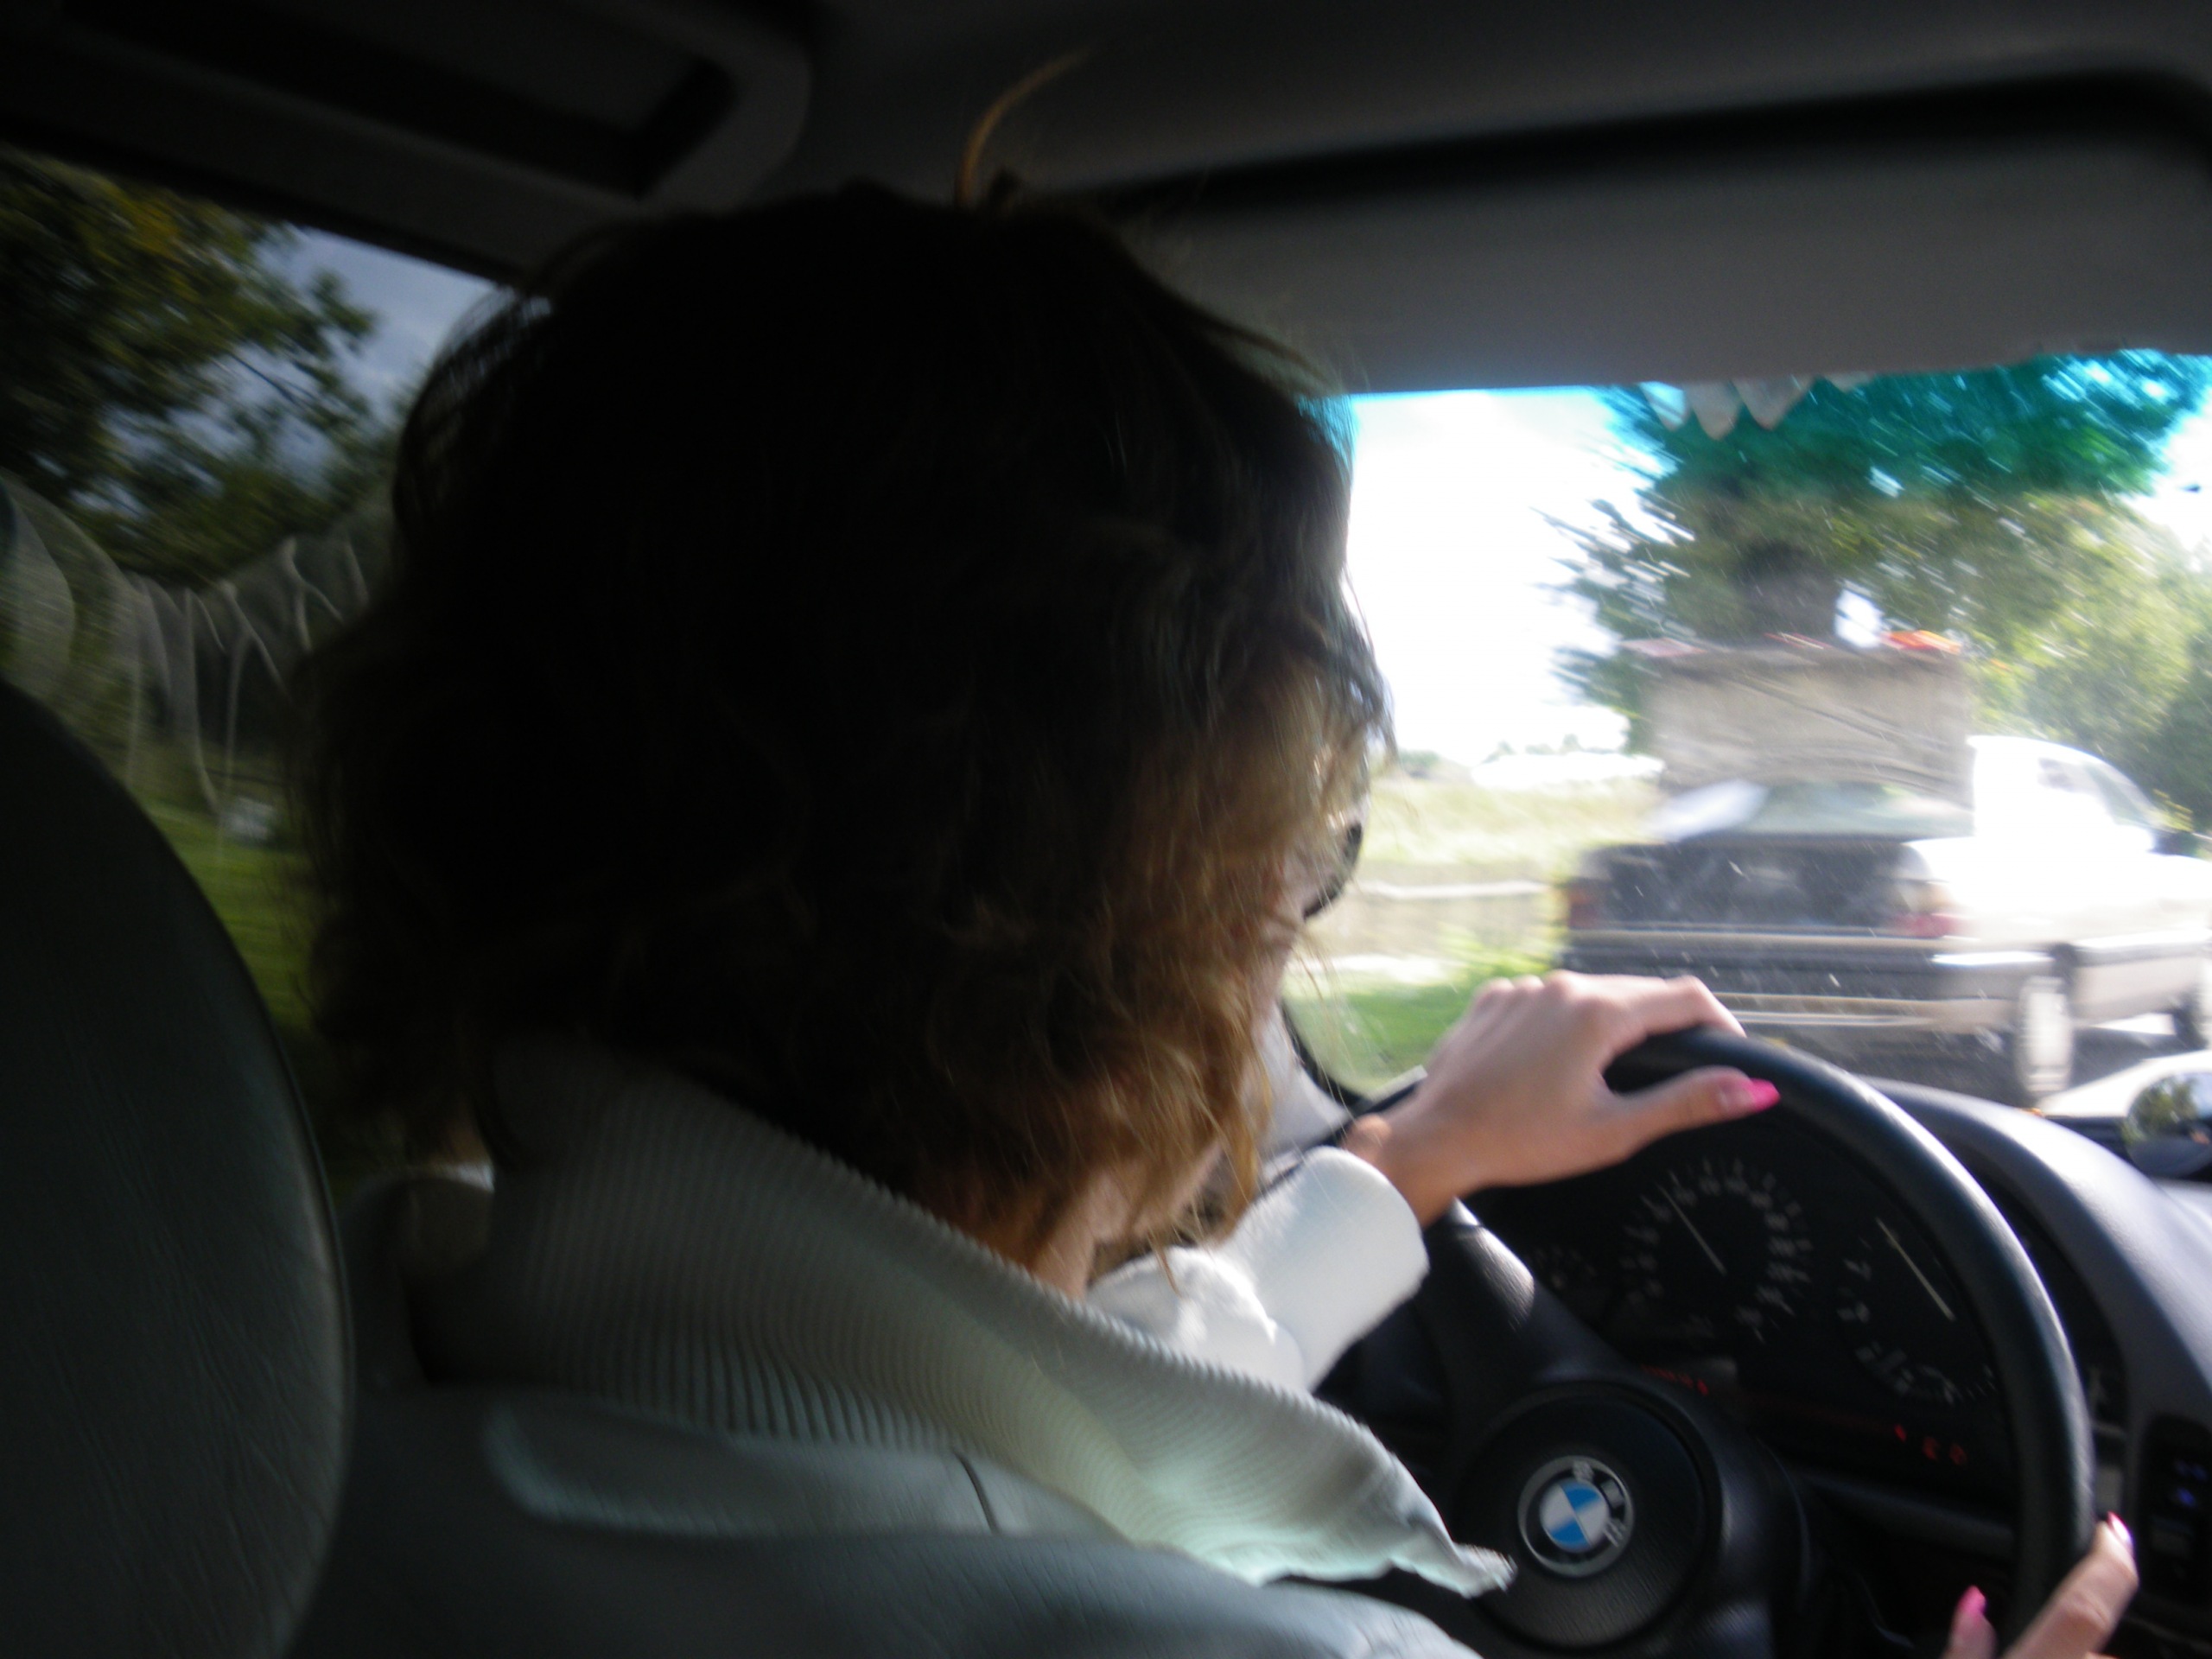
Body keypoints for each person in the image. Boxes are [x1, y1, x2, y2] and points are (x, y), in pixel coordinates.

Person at [291, 182, 2133, 1658]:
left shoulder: (301, 1394)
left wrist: (1406, 1162)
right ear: (1137, 927)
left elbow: (990, 1425)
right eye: (1289, 862)